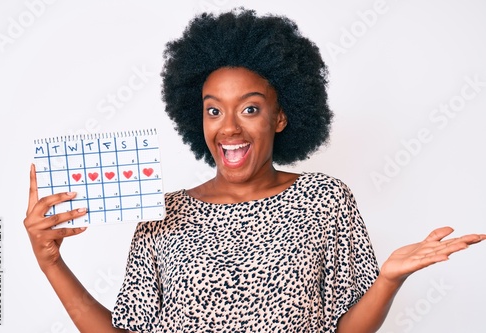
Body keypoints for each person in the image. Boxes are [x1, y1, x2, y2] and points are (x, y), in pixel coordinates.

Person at [24, 8, 485, 333]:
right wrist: (51, 263)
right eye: (212, 111)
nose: (228, 128)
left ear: (280, 118)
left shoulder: (325, 200)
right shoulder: (162, 213)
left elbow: (346, 330)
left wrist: (389, 279)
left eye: (249, 108)